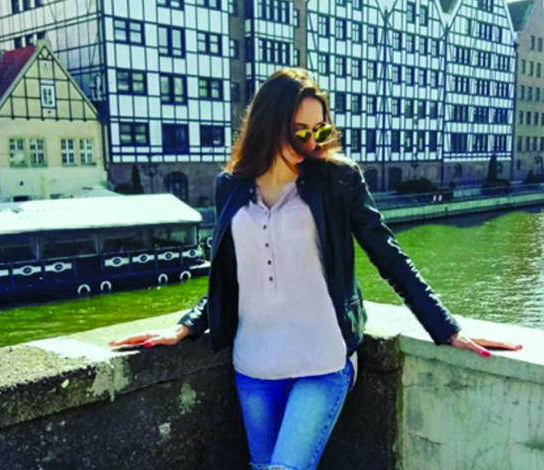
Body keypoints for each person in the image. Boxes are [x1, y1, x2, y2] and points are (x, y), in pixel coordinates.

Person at [110, 68, 522, 470]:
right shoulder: (230, 186)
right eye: (299, 132)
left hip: (322, 360)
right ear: (269, 126)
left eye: (320, 132)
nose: (311, 143)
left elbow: (389, 255)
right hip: (254, 363)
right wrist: (185, 326)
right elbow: (232, 276)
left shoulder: (337, 181)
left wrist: (447, 328)